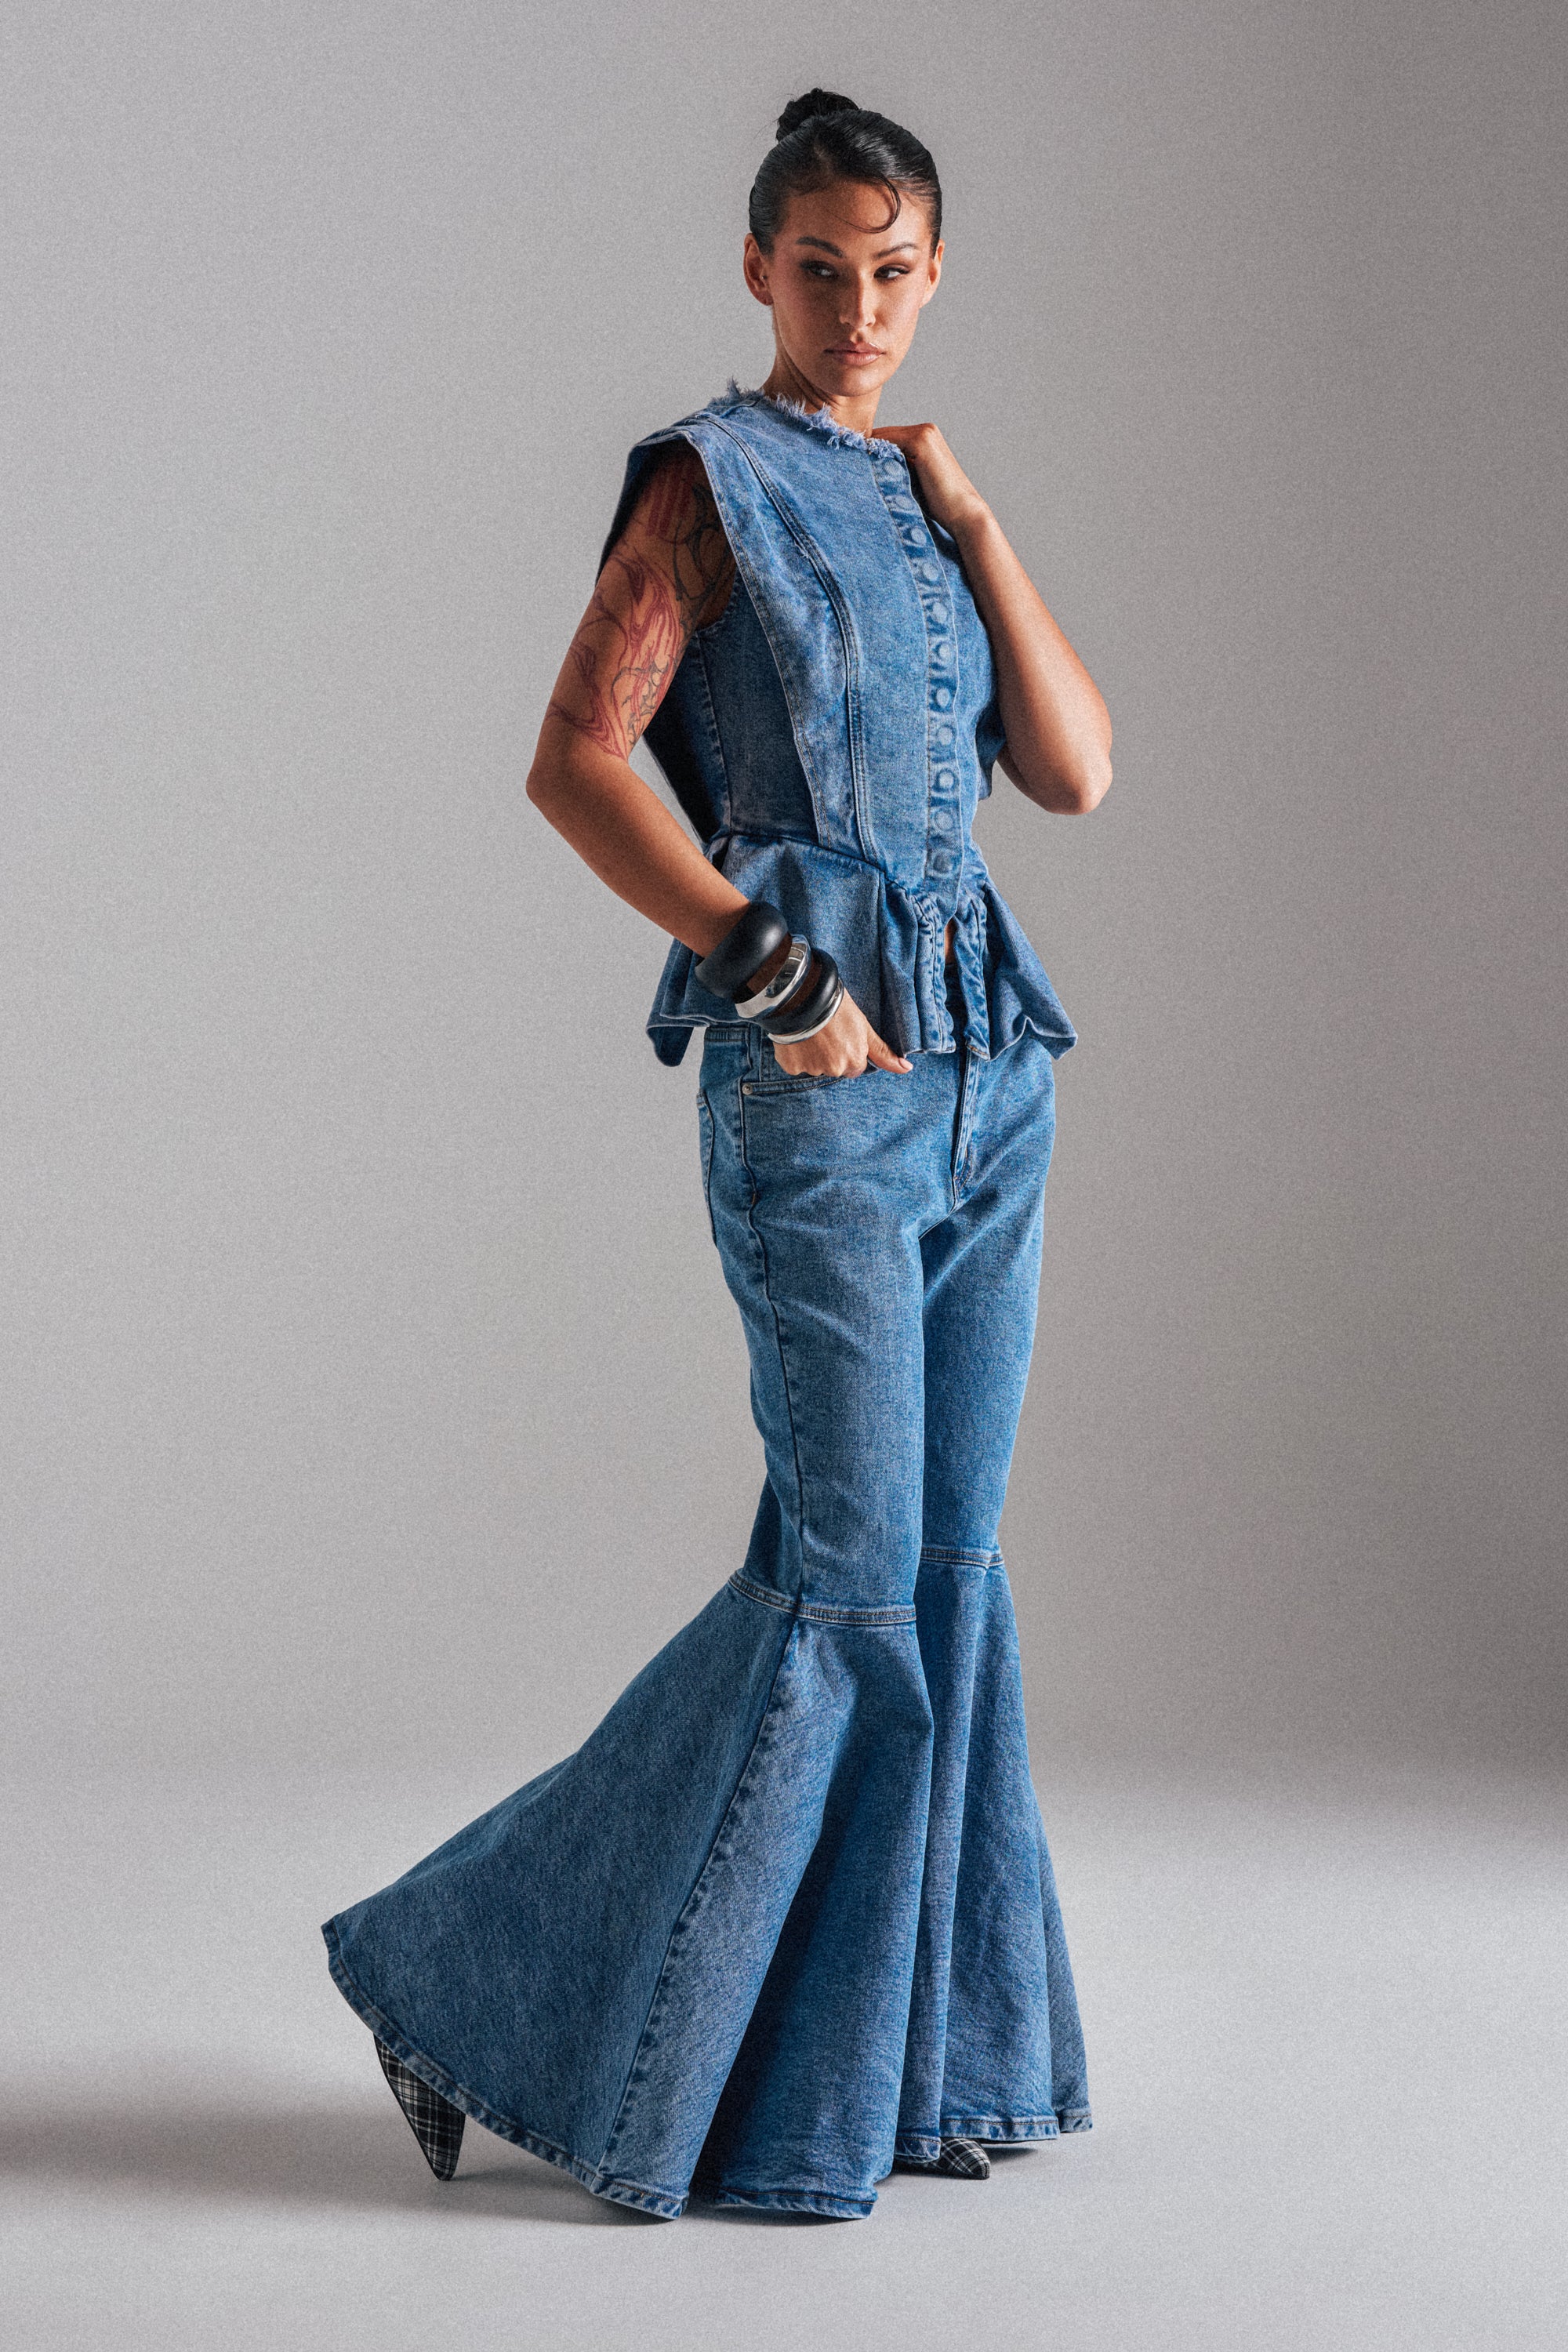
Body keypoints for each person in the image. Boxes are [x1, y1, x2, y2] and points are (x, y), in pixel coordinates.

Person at [322, 88, 1112, 2223]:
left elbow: (1076, 771)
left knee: (943, 1583)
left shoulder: (920, 495)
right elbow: (580, 760)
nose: (861, 307)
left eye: (896, 268)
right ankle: (468, 1983)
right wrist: (780, 984)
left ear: (937, 276)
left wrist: (980, 520)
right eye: (822, 267)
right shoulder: (710, 484)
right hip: (828, 1089)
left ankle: (898, 2079)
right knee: (847, 1585)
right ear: (759, 270)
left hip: (994, 1082)